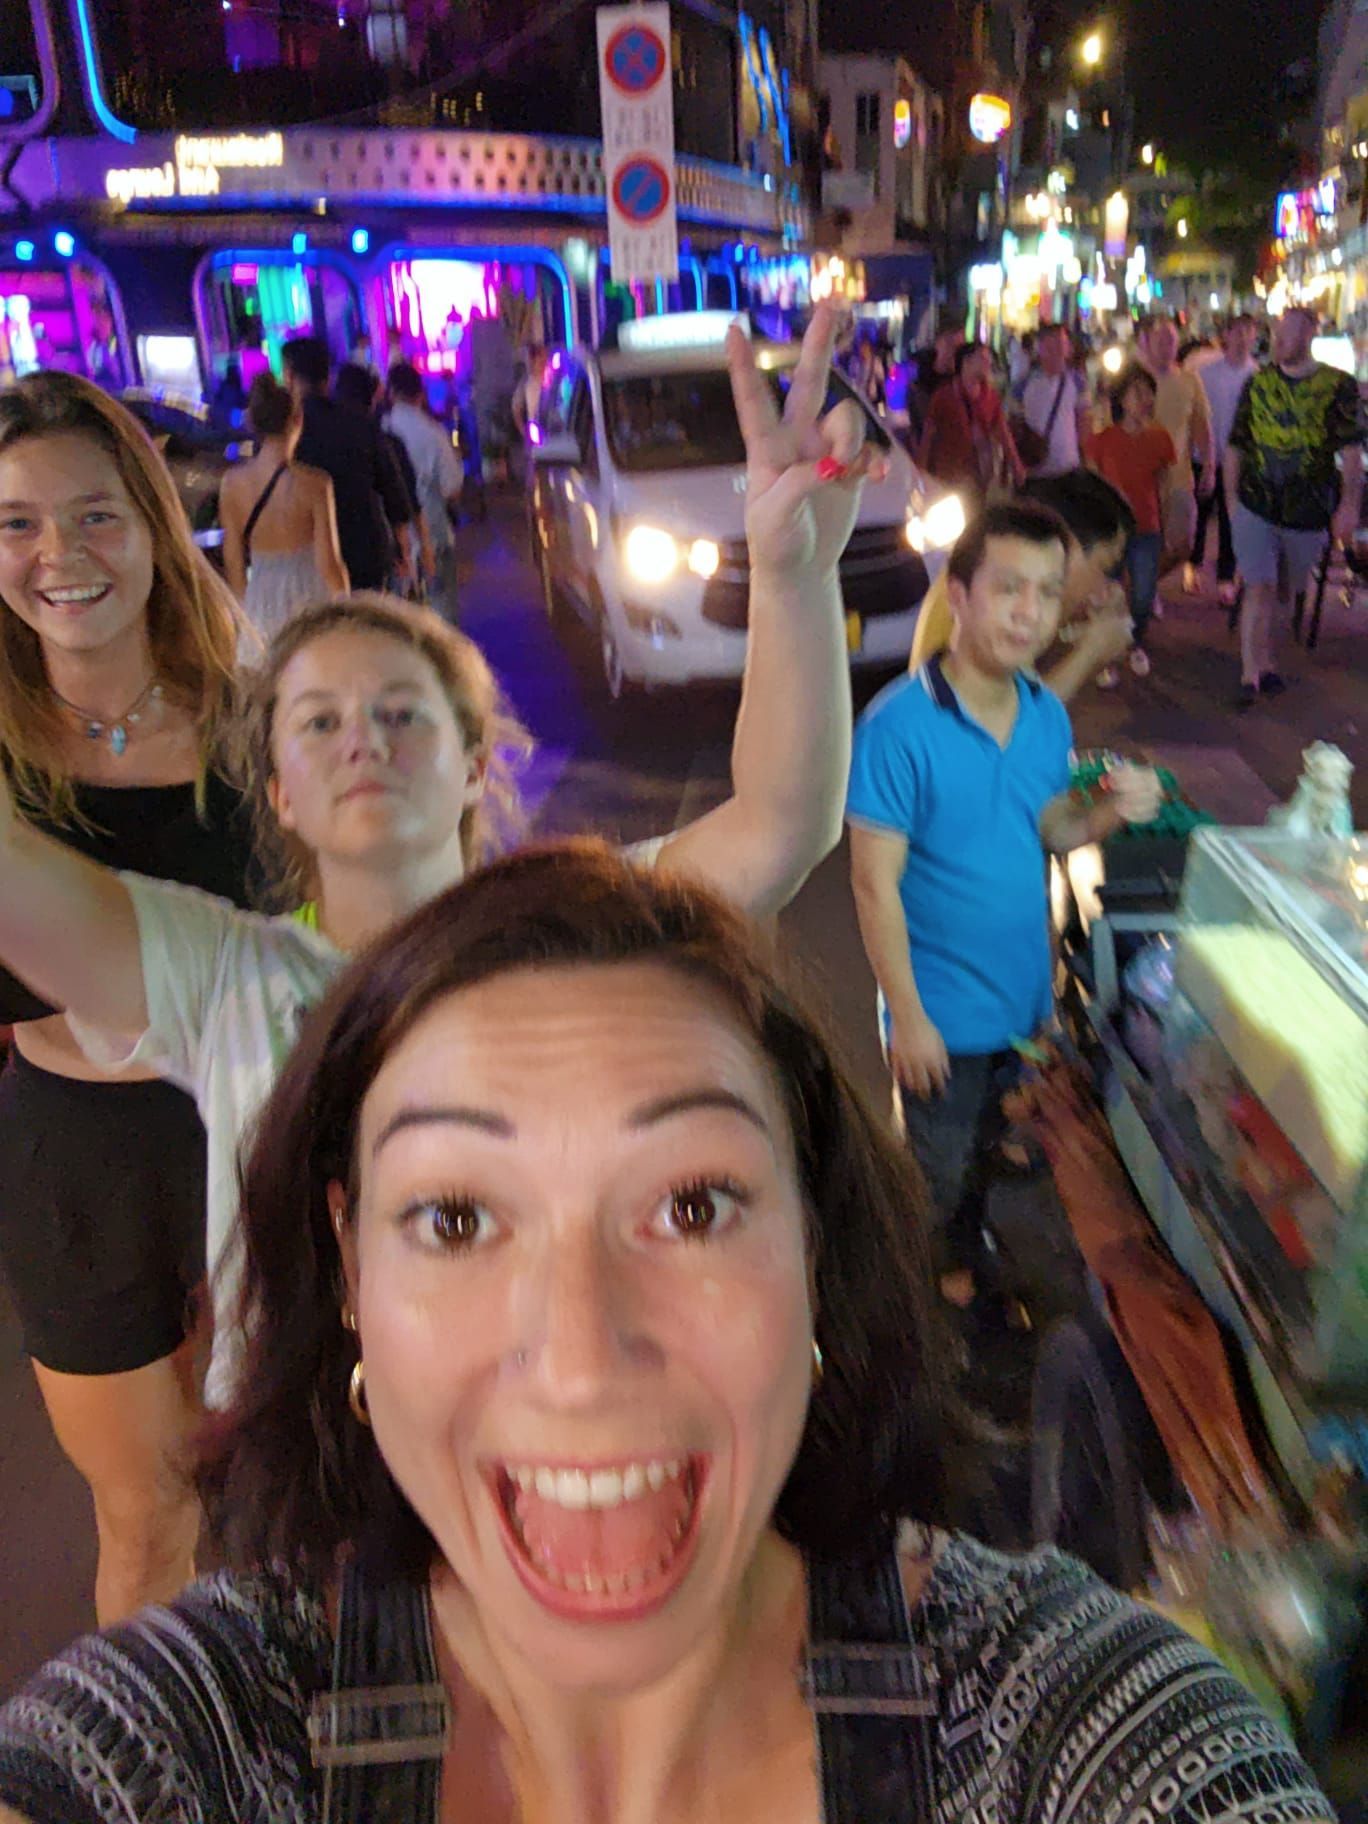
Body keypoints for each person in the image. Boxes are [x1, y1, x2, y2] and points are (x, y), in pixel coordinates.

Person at [0, 846, 1334, 1824]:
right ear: (347, 1272)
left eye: (692, 1206)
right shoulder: (194, 1746)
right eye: (458, 1219)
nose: (580, 1361)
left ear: (810, 1241)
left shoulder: (1065, 1730)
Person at [0, 304, 880, 1414]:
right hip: (308, 1443)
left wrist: (795, 574)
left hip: (509, 1418)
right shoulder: (224, 977)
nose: (361, 735)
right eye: (317, 721)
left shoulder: (549, 925)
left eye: (403, 712)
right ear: (270, 787)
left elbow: (783, 821)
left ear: (475, 764)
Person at [0, 372, 254, 1625]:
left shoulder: (250, 723)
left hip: (251, 1128)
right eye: (16, 524)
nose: (60, 555)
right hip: (75, 1161)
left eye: (97, 515)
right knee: (147, 1519)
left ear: (155, 527)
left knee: (283, 1492)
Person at [848, 500, 1163, 1304]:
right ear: (959, 594)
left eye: (1048, 594)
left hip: (1021, 1002)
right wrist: (907, 1016)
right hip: (940, 1017)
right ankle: (917, 1295)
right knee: (932, 1165)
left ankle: (960, 1245)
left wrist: (1109, 814)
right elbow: (872, 882)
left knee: (991, 1142)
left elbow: (1052, 830)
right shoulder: (899, 727)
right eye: (1009, 589)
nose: (1030, 613)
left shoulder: (1045, 716)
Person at [1226, 304, 1365, 708]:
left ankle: (1266, 662)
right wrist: (1233, 497)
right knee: (1258, 585)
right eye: (1277, 333)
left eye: (1287, 333)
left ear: (1308, 335)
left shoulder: (1337, 385)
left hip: (1307, 507)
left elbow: (1352, 451)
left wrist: (1348, 505)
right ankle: (1250, 672)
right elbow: (1237, 444)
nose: (1279, 340)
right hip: (1257, 500)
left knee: (1287, 589)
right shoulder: (1258, 384)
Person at [908, 468, 1139, 701]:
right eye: (1106, 568)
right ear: (1069, 548)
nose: (1105, 587)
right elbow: (1015, 725)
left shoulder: (999, 570)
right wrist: (1090, 651)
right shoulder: (991, 596)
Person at [220, 374, 348, 646]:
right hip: (308, 599)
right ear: (297, 420)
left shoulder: (232, 484)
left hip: (260, 601)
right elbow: (328, 562)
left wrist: (246, 614)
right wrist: (345, 605)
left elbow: (233, 561)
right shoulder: (315, 484)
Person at [282, 336, 417, 593]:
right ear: (328, 378)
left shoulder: (285, 435)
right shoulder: (360, 422)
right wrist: (403, 551)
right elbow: (393, 490)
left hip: (311, 562)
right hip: (367, 554)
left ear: (289, 377)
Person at [1085, 365, 1177, 683]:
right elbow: (1093, 486)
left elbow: (1163, 486)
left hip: (1146, 527)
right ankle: (1105, 657)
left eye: (1148, 392)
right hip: (1112, 530)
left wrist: (1164, 526)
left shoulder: (1160, 438)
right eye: (1137, 392)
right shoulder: (1103, 441)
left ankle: (1133, 641)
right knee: (1107, 593)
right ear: (1121, 399)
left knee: (1142, 594)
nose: (1145, 399)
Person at [1138, 315, 1214, 591]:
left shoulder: (1189, 381)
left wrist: (1208, 465)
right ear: (1147, 343)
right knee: (1144, 540)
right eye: (1160, 340)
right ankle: (1145, 592)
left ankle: (1147, 583)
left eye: (1171, 340)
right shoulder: (1134, 380)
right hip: (1138, 477)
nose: (1167, 346)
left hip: (1178, 476)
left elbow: (1202, 427)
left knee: (1184, 542)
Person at [385, 361, 464, 624]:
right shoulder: (433, 433)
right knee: (443, 620)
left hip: (394, 543)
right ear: (420, 394)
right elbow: (452, 487)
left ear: (390, 393)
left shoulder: (381, 430)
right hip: (433, 531)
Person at [1193, 314, 1259, 605]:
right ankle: (1191, 565)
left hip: (1239, 461)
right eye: (1238, 332)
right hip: (1205, 455)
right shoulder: (1207, 373)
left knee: (1230, 521)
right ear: (1227, 335)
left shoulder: (1256, 376)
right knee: (1198, 513)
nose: (1243, 338)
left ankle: (1225, 577)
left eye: (1249, 332)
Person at [918, 343, 1026, 505]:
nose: (988, 363)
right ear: (966, 362)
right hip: (949, 478)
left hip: (979, 478)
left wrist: (1016, 464)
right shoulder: (944, 396)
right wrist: (921, 472)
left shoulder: (990, 396)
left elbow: (1003, 432)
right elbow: (928, 436)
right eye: (982, 358)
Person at [1016, 322, 1090, 479]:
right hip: (1034, 469)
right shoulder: (1024, 383)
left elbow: (1084, 422)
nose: (1057, 350)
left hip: (1068, 468)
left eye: (1061, 344)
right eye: (1051, 345)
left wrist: (1086, 459)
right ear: (1040, 348)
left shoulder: (1078, 382)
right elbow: (1013, 424)